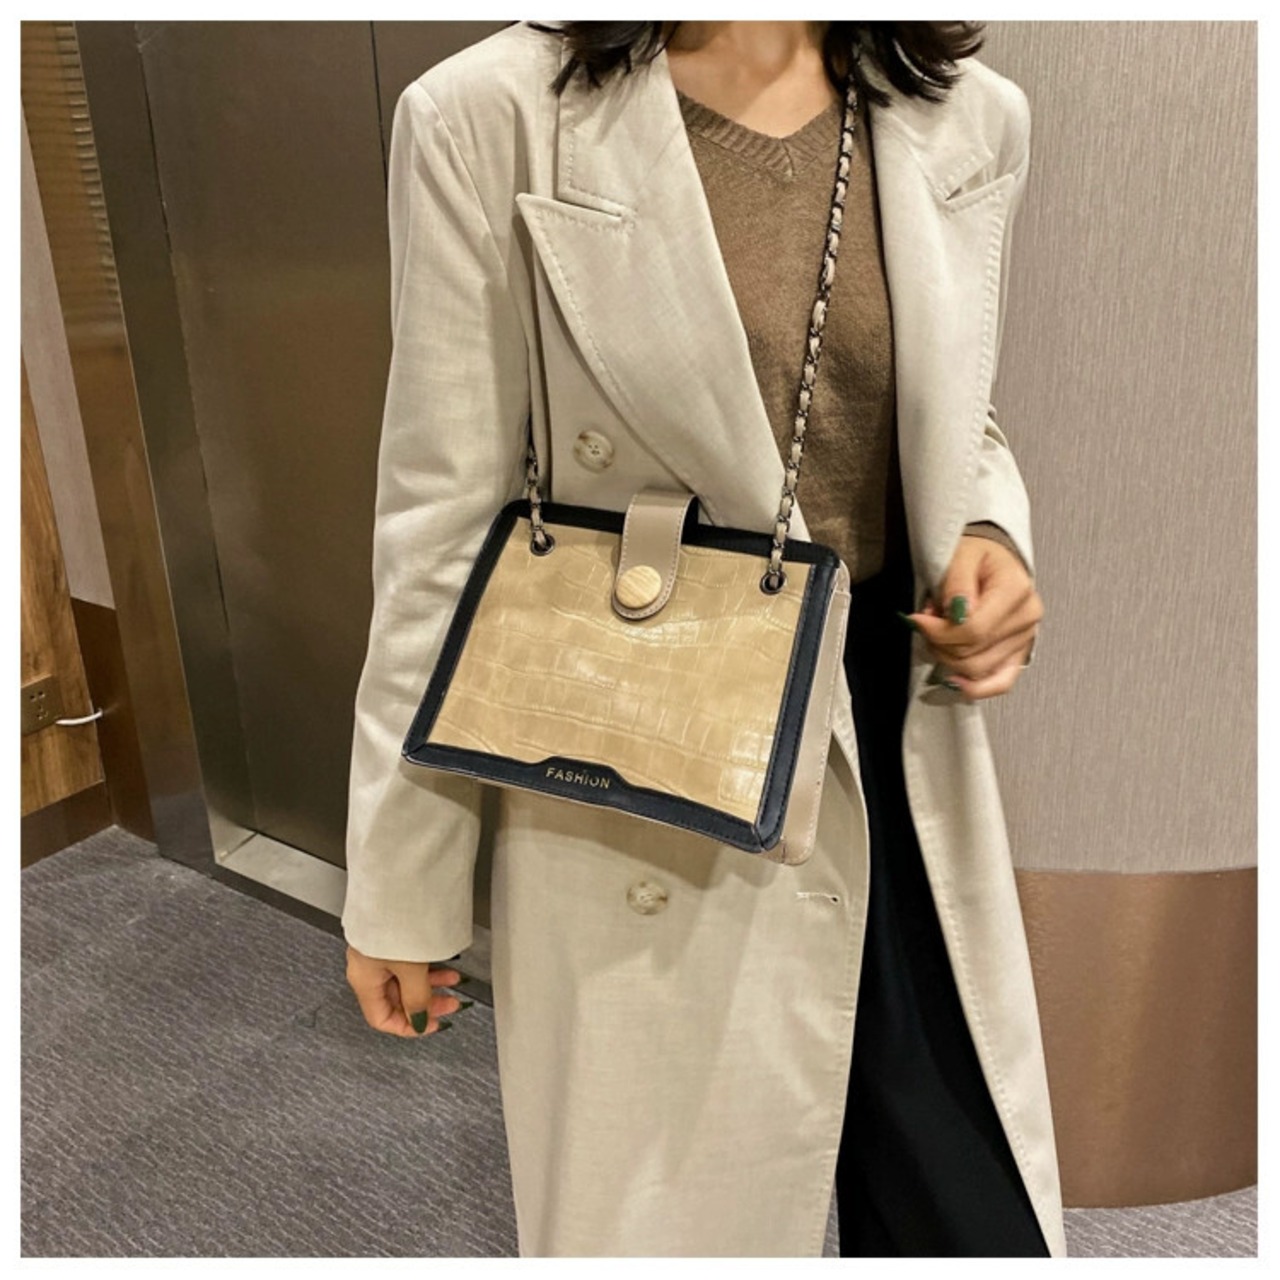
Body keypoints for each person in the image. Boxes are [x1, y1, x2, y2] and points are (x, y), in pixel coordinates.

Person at [342, 19, 1063, 1258]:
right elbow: (440, 524)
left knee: (966, 1209)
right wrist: (403, 881)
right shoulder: (489, 117)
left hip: (890, 735)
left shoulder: (961, 110)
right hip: (652, 751)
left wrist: (989, 527)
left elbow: (953, 407)